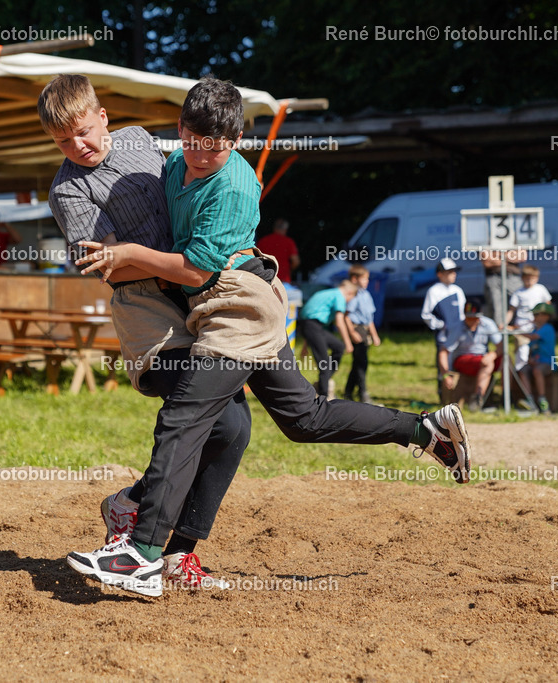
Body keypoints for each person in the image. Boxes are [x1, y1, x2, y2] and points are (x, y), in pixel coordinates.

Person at [68, 76, 472, 597]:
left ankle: (141, 553)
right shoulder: (174, 163)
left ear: (236, 141)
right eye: (190, 142)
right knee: (304, 418)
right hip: (224, 301)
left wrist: (127, 254)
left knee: (186, 417)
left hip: (237, 303)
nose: (199, 156)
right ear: (180, 128)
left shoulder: (235, 185)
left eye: (213, 149)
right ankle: (424, 430)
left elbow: (196, 270)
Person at [38, 73, 251, 589]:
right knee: (215, 418)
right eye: (63, 141)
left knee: (234, 429)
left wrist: (214, 245)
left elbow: (188, 190)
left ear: (103, 117)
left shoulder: (138, 140)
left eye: (83, 131)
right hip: (145, 313)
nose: (78, 146)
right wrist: (185, 265)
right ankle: (142, 533)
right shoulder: (68, 190)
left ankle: (171, 547)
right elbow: (111, 267)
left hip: (198, 299)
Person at [299, 280, 356, 398]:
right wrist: (348, 342)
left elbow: (309, 316)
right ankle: (324, 398)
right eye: (350, 299)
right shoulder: (340, 296)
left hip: (311, 327)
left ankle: (322, 382)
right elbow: (339, 322)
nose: (348, 302)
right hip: (312, 327)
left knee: (338, 347)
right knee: (324, 365)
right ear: (350, 293)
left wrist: (305, 345)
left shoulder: (328, 293)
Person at [443, 300, 503, 412]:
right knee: (487, 364)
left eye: (474, 318)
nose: (471, 321)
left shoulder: (488, 324)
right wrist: (445, 374)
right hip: (463, 359)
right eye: (469, 318)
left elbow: (501, 346)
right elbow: (443, 351)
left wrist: (492, 355)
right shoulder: (457, 326)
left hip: (483, 358)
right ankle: (477, 398)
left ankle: (507, 397)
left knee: (506, 360)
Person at [421, 257, 466, 400]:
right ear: (439, 274)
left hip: (458, 335)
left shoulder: (458, 290)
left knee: (457, 362)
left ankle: (458, 395)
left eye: (454, 271)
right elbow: (426, 314)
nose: (453, 274)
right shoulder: (434, 291)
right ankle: (444, 396)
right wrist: (441, 325)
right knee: (443, 364)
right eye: (449, 272)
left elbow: (462, 314)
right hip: (444, 336)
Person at [344, 264, 381, 404]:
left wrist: (374, 335)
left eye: (367, 278)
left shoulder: (366, 294)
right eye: (364, 278)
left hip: (365, 330)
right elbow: (346, 316)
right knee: (361, 362)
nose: (367, 281)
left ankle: (348, 391)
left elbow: (369, 318)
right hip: (357, 329)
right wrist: (352, 332)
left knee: (358, 363)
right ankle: (363, 393)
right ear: (355, 279)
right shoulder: (353, 295)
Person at [506, 265, 551, 373]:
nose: (530, 281)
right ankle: (521, 374)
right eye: (527, 278)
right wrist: (505, 323)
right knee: (522, 353)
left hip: (536, 327)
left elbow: (547, 305)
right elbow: (511, 310)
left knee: (536, 352)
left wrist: (541, 319)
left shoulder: (540, 289)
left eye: (532, 278)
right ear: (522, 278)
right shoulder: (518, 292)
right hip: (522, 328)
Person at [519, 303, 557, 414]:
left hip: (548, 363)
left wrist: (517, 331)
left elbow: (532, 337)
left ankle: (542, 399)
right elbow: (531, 348)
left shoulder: (547, 328)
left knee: (537, 371)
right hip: (536, 362)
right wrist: (529, 359)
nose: (534, 317)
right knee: (523, 370)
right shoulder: (534, 330)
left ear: (546, 316)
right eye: (534, 314)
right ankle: (529, 399)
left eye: (537, 314)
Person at [481, 247, 526, 327]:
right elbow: (486, 261)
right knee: (496, 308)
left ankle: (518, 328)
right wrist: (509, 256)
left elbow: (522, 256)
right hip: (493, 277)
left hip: (513, 277)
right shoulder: (486, 240)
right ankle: (499, 330)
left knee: (518, 303)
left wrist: (496, 256)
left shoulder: (514, 239)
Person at [255, 218, 299, 284]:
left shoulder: (263, 241)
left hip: (265, 278)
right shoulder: (289, 242)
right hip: (283, 279)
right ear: (285, 229)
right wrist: (289, 270)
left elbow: (255, 259)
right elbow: (295, 261)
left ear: (274, 228)